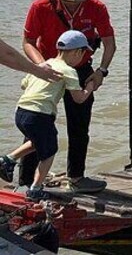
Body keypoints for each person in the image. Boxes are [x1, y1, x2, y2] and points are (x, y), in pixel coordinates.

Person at [21, 0, 116, 194]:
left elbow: (110, 43)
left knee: (80, 125)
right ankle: (25, 182)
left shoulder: (97, 8)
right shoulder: (41, 6)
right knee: (36, 124)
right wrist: (42, 65)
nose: (73, 1)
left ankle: (76, 177)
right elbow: (28, 41)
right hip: (47, 67)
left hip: (81, 69)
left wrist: (101, 71)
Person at [1, 31, 96, 200]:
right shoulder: (69, 71)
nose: (82, 58)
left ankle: (8, 159)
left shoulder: (44, 65)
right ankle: (36, 189)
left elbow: (24, 84)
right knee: (50, 152)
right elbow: (79, 98)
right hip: (40, 114)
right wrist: (90, 85)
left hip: (21, 112)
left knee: (38, 142)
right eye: (83, 54)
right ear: (76, 52)